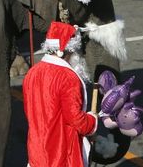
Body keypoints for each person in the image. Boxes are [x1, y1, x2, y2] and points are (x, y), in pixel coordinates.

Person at [23, 21, 98, 167]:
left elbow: (29, 111)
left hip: (37, 150)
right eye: (75, 51)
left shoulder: (32, 72)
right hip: (60, 153)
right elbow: (76, 119)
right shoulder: (68, 77)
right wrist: (92, 121)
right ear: (69, 50)